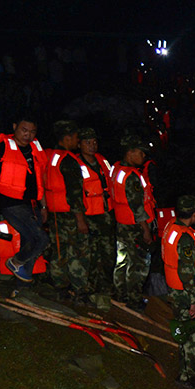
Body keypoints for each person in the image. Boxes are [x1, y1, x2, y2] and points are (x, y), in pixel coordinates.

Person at [0, 113, 49, 282]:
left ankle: (23, 281)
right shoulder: (2, 149)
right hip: (11, 204)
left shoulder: (35, 148)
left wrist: (43, 206)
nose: (28, 135)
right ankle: (15, 262)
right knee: (41, 238)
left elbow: (40, 179)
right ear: (15, 127)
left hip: (32, 204)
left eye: (32, 131)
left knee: (31, 240)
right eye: (24, 130)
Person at [162, 195, 195, 389]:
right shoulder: (186, 238)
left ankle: (185, 372)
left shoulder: (171, 226)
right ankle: (187, 375)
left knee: (183, 331)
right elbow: (187, 271)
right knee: (194, 333)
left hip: (175, 290)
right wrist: (193, 301)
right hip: (186, 292)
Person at [44, 120, 90, 299]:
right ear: (68, 138)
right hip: (69, 214)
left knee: (58, 249)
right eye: (76, 138)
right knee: (76, 252)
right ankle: (80, 290)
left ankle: (60, 287)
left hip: (54, 212)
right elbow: (75, 193)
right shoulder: (69, 161)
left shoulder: (50, 155)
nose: (78, 142)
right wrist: (80, 219)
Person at [110, 135, 155, 304]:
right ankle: (134, 299)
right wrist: (146, 230)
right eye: (141, 153)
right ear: (131, 152)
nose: (144, 157)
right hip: (134, 226)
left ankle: (120, 293)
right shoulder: (132, 176)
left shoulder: (116, 168)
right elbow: (137, 206)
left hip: (121, 223)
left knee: (122, 260)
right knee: (139, 263)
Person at [77, 128, 117, 307]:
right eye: (88, 142)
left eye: (94, 142)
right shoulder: (75, 163)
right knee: (90, 255)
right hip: (88, 215)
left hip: (105, 214)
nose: (92, 146)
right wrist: (80, 219)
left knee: (108, 253)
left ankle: (105, 288)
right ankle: (89, 290)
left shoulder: (102, 161)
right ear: (79, 144)